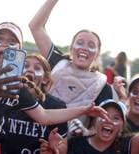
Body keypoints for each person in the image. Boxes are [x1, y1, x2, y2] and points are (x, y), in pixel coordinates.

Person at [0, 0, 109, 153]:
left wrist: (85, 109)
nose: (5, 44)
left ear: (20, 50)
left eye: (12, 41)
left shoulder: (16, 84)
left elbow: (44, 116)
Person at [29, 0, 113, 132]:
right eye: (80, 43)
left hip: (71, 145)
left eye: (91, 46)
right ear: (71, 47)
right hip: (38, 134)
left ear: (97, 54)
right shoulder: (57, 62)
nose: (84, 48)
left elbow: (106, 125)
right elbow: (35, 26)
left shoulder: (103, 86)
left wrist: (87, 133)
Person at [0, 53, 68, 154]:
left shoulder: (57, 106)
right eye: (25, 66)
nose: (30, 70)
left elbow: (63, 146)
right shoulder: (7, 100)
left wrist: (54, 149)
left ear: (45, 79)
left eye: (37, 68)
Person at [40, 99, 139, 154]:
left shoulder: (126, 147)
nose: (108, 120)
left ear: (122, 127)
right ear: (94, 122)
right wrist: (50, 151)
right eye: (103, 115)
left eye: (116, 118)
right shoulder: (74, 143)